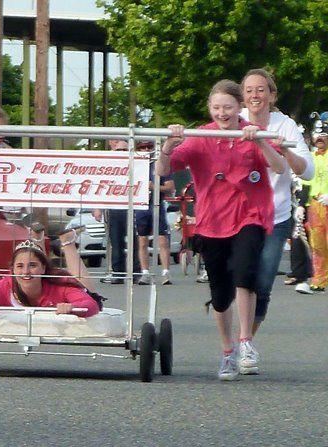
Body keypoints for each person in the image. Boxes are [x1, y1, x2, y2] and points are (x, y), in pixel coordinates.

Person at [157, 79, 286, 381]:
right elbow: (164, 170)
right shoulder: (200, 136)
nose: (222, 113)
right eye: (216, 108)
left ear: (239, 107)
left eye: (228, 107)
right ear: (209, 109)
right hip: (212, 222)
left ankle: (245, 343)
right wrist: (167, 146)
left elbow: (279, 167)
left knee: (245, 273)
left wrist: (260, 141)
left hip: (250, 216)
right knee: (219, 294)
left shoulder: (250, 133)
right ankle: (227, 352)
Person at [240, 68, 314, 336]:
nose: (254, 95)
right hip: (238, 216)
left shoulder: (285, 125)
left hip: (275, 217)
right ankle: (237, 340)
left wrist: (285, 151)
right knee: (237, 279)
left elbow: (307, 171)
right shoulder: (233, 121)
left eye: (260, 90)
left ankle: (246, 341)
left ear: (272, 95)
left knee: (262, 283)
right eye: (249, 90)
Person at [0, 237, 101, 318]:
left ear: (43, 269)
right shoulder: (7, 284)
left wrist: (71, 308)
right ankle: (37, 237)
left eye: (32, 265)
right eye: (20, 266)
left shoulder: (61, 284)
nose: (25, 272)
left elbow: (91, 306)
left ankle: (68, 242)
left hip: (73, 287)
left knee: (87, 289)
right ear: (12, 270)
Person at [94, 139, 141, 285]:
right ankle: (117, 272)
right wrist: (97, 208)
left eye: (125, 150)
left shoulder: (136, 165)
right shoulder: (108, 165)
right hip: (114, 208)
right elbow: (99, 186)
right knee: (116, 242)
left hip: (132, 208)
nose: (122, 153)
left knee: (134, 242)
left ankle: (136, 272)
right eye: (119, 150)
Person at [134, 141, 175, 285]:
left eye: (148, 147)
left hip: (157, 205)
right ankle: (145, 272)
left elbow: (170, 187)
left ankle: (166, 272)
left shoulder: (160, 165)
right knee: (142, 240)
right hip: (141, 206)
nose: (146, 150)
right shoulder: (135, 165)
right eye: (142, 148)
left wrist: (154, 186)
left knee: (162, 240)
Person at [306, 133, 328, 292]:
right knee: (317, 244)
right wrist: (301, 205)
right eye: (317, 136)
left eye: (324, 135)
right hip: (314, 204)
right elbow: (304, 181)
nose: (320, 139)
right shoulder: (310, 157)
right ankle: (319, 279)